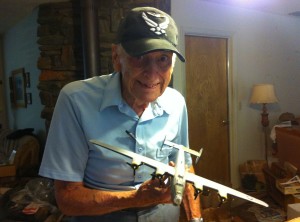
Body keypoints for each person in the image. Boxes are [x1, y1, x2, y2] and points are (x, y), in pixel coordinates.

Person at [39, 6, 202, 222]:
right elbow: (67, 199)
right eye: (139, 56)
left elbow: (185, 166)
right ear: (117, 56)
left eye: (163, 59)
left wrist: (196, 218)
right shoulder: (75, 100)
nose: (152, 73)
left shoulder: (176, 103)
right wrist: (136, 198)